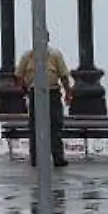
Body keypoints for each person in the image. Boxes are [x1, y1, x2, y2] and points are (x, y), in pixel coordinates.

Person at [14, 34, 71, 168]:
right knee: (35, 127)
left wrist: (68, 93)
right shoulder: (27, 56)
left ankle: (58, 157)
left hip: (52, 92)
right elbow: (19, 76)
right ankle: (35, 158)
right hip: (35, 93)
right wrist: (25, 90)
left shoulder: (55, 55)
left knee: (55, 125)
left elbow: (64, 76)